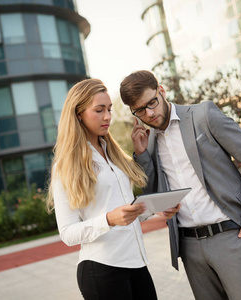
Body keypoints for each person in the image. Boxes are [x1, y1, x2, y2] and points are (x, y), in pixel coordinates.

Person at [119, 70, 241, 300]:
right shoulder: (148, 141)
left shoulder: (203, 114)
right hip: (190, 246)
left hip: (231, 236)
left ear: (161, 91)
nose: (150, 113)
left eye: (152, 102)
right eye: (140, 110)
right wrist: (142, 154)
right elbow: (154, 195)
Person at [47, 78, 166, 300]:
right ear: (79, 113)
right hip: (102, 269)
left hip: (137, 263)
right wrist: (109, 219)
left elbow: (124, 213)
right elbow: (67, 233)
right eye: (99, 110)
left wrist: (155, 209)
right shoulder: (65, 166)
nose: (108, 117)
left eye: (109, 109)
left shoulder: (114, 155)